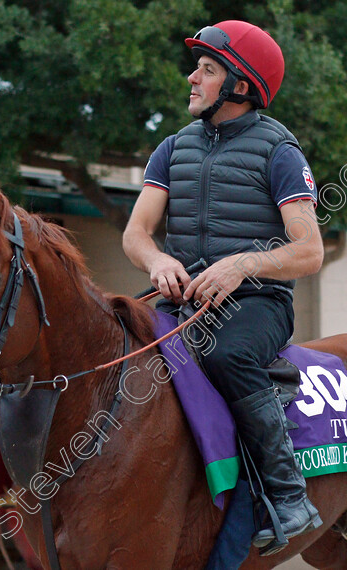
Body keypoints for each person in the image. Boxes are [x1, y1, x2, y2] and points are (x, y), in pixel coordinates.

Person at [122, 20, 325, 556]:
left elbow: (310, 251)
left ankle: (288, 495)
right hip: (182, 301)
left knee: (229, 355)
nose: (192, 78)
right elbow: (136, 234)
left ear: (239, 85)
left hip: (256, 305)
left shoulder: (280, 150)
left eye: (206, 70)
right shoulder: (171, 148)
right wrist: (158, 259)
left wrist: (241, 266)